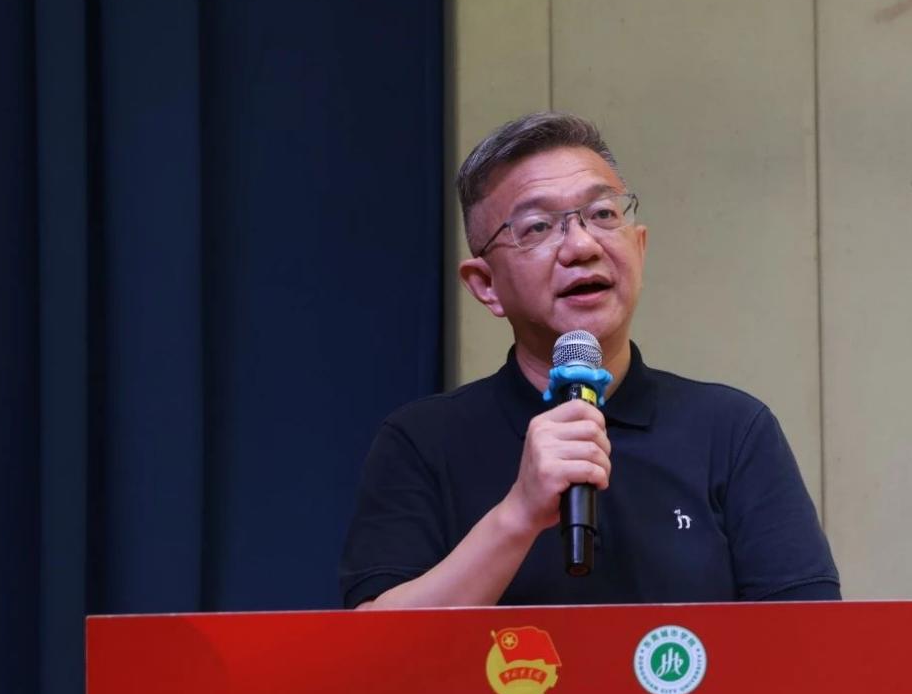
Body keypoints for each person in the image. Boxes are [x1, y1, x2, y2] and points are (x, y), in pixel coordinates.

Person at [340, 112, 839, 609]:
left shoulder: (731, 431)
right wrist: (518, 515)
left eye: (602, 215)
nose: (581, 246)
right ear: (485, 284)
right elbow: (374, 645)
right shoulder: (423, 442)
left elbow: (813, 639)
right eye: (537, 226)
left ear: (639, 247)